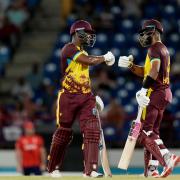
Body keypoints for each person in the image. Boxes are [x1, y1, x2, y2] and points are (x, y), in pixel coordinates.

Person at [47, 20, 115, 178]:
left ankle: (90, 170)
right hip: (68, 97)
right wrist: (104, 57)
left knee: (92, 130)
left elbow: (83, 75)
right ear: (77, 33)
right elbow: (88, 61)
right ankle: (52, 168)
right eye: (88, 33)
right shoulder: (69, 49)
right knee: (63, 133)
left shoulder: (82, 51)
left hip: (86, 97)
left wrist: (93, 97)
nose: (90, 36)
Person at [118, 19, 180, 178]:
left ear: (154, 31)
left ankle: (167, 158)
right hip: (164, 92)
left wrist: (143, 90)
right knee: (153, 133)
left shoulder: (154, 49)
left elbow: (154, 70)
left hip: (155, 92)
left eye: (146, 32)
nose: (143, 35)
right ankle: (151, 170)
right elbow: (146, 71)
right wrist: (131, 66)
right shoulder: (162, 48)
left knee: (143, 133)